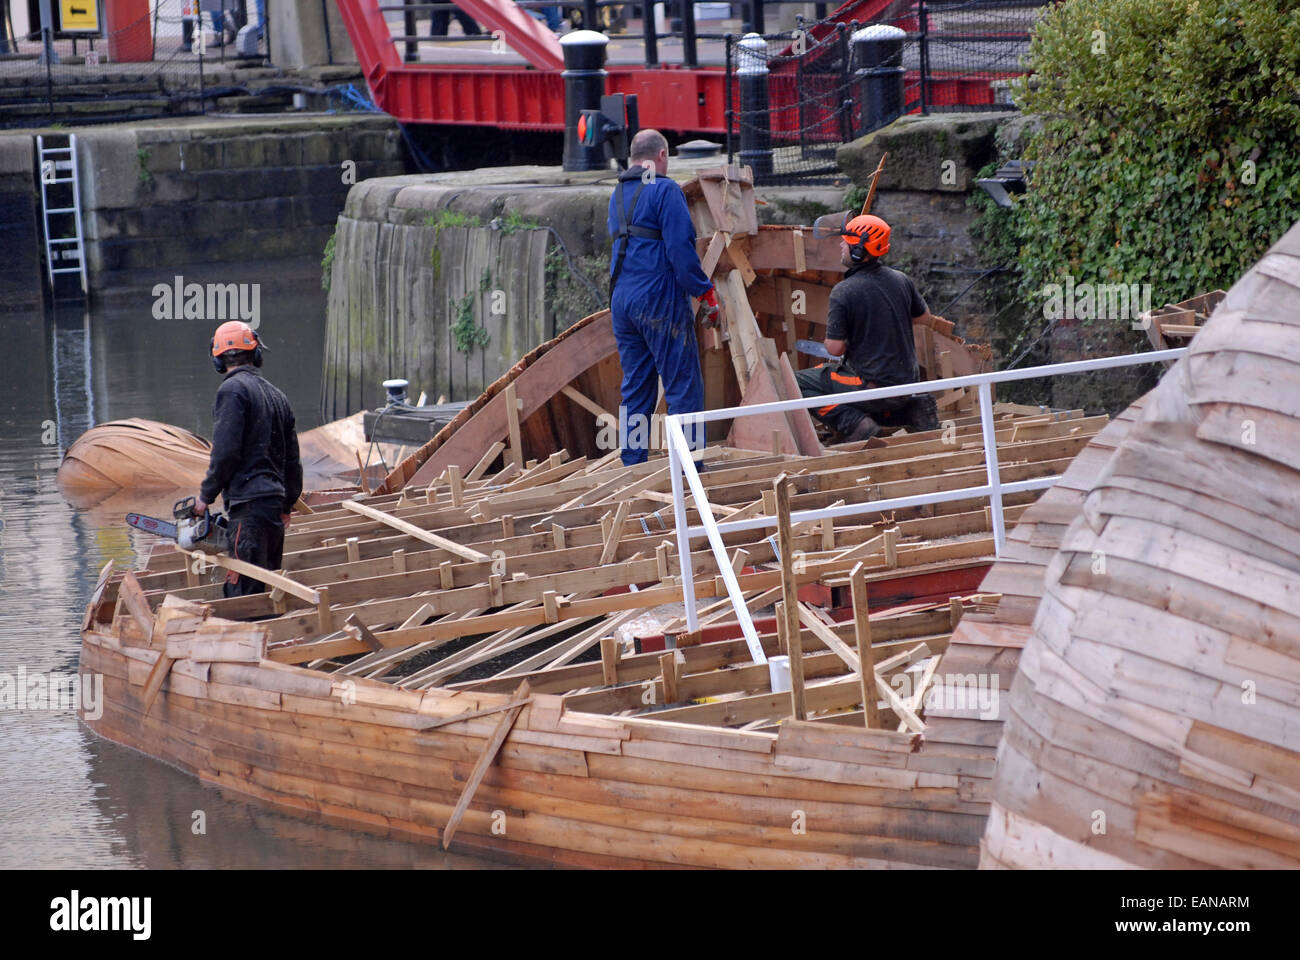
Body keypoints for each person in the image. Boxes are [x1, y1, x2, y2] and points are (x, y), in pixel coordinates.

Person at [607, 128, 718, 466]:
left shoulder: (617, 194)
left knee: (637, 386)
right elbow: (682, 254)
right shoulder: (666, 189)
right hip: (658, 298)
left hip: (622, 300)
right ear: (662, 156)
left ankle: (632, 464)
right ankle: (691, 469)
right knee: (683, 383)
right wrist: (706, 293)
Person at [794, 213, 938, 443]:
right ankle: (911, 410)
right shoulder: (900, 279)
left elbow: (834, 349)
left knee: (797, 383)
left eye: (846, 242)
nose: (841, 245)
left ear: (859, 251)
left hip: (872, 386)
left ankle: (857, 425)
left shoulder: (844, 291)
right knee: (844, 383)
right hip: (907, 385)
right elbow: (924, 318)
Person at [194, 321, 302, 597]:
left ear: (218, 360)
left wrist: (205, 497)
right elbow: (292, 461)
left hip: (249, 510)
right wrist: (287, 503)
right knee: (266, 591)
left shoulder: (231, 391)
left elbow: (226, 452)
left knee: (243, 594)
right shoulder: (278, 396)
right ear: (255, 354)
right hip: (273, 508)